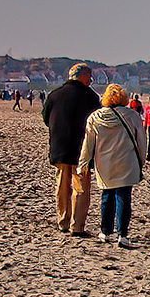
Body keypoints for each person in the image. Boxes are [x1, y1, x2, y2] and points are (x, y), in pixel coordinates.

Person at [79, 83, 147, 248]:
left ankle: (105, 231)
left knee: (106, 196)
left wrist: (83, 163)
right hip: (127, 161)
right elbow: (141, 142)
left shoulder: (95, 117)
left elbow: (88, 144)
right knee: (123, 196)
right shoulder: (132, 116)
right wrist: (141, 161)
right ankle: (122, 234)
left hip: (104, 162)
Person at [41, 63, 100, 237]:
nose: (91, 80)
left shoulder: (54, 95)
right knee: (79, 188)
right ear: (80, 76)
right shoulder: (90, 97)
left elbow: (46, 119)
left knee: (62, 186)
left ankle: (63, 221)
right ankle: (77, 225)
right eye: (89, 76)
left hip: (60, 147)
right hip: (81, 150)